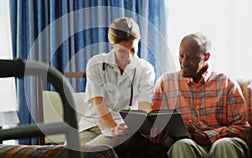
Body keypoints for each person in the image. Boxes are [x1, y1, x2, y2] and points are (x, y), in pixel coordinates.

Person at [150, 33, 251, 158]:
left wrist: (209, 136)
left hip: (224, 144)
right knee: (182, 145)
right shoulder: (165, 83)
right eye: (181, 56)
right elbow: (155, 121)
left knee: (224, 145)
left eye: (191, 58)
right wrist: (157, 132)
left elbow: (243, 128)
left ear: (206, 57)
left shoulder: (226, 83)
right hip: (189, 146)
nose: (184, 63)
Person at [78, 17, 163, 157]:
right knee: (70, 152)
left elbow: (145, 105)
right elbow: (99, 102)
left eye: (133, 49)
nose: (129, 56)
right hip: (91, 126)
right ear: (112, 44)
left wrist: (140, 125)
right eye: (123, 51)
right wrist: (113, 126)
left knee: (90, 153)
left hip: (122, 129)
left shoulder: (145, 69)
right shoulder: (96, 63)